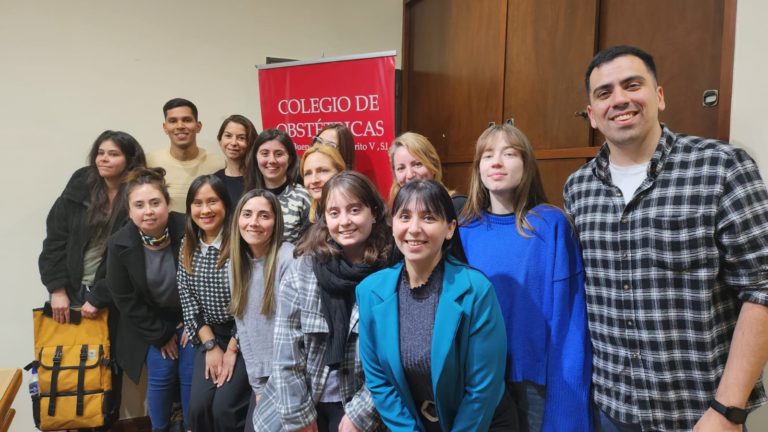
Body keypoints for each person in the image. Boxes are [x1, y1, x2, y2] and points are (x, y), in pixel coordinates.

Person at [563, 45, 768, 431]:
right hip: (611, 410)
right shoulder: (578, 188)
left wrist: (728, 410)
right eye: (604, 93)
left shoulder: (722, 167)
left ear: (659, 96)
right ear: (592, 115)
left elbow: (762, 287)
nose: (620, 99)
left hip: (700, 413)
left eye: (632, 85)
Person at [459, 124, 592, 431]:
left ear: (527, 164)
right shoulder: (463, 230)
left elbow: (569, 324)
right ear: (478, 167)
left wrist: (567, 407)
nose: (496, 162)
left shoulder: (551, 226)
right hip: (476, 382)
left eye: (509, 153)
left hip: (536, 384)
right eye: (488, 155)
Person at [358, 179, 516, 431]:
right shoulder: (370, 292)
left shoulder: (475, 289)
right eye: (405, 216)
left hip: (482, 424)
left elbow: (483, 388)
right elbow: (379, 380)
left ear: (450, 228)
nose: (414, 228)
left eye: (429, 218)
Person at [253, 171, 390, 432]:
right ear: (324, 219)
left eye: (354, 210)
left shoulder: (391, 272)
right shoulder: (304, 268)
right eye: (334, 212)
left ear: (373, 212)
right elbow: (285, 353)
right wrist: (299, 419)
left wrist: (359, 418)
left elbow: (392, 361)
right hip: (305, 400)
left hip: (363, 406)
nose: (345, 221)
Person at [38, 130, 145, 428]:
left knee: (108, 369)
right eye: (101, 152)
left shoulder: (138, 193)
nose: (104, 159)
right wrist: (56, 288)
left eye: (113, 154)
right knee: (70, 364)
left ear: (129, 159)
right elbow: (54, 240)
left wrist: (99, 296)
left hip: (114, 297)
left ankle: (106, 424)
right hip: (71, 291)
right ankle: (70, 423)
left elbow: (134, 260)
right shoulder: (81, 185)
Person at [106, 168, 194, 432]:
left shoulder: (188, 228)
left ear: (167, 204)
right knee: (162, 372)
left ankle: (191, 426)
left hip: (189, 315)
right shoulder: (119, 243)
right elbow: (124, 297)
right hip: (149, 321)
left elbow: (205, 279)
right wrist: (160, 335)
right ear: (129, 211)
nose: (149, 211)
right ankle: (160, 428)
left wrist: (193, 321)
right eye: (139, 205)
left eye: (155, 203)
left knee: (190, 373)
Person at [175, 175, 251, 431]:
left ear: (226, 205)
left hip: (241, 335)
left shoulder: (242, 245)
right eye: (197, 203)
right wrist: (210, 346)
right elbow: (188, 301)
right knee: (196, 408)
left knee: (224, 409)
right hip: (210, 336)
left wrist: (231, 350)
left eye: (212, 201)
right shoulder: (188, 245)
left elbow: (249, 306)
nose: (205, 210)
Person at [228, 189, 295, 432]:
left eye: (264, 216)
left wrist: (271, 387)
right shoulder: (236, 264)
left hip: (290, 376)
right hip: (262, 377)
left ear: (276, 222)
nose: (254, 222)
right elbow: (243, 329)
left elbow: (294, 335)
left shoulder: (289, 258)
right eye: (247, 214)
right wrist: (257, 387)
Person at [147, 98, 224, 213]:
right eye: (173, 121)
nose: (180, 126)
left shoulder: (219, 163)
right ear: (165, 127)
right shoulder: (149, 162)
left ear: (198, 126)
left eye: (187, 120)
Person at [244, 128, 310, 243]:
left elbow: (310, 245)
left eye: (279, 154)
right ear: (256, 157)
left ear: (290, 159)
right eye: (265, 154)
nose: (272, 160)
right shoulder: (248, 196)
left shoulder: (303, 197)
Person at [388, 132, 467, 214]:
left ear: (433, 166)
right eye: (401, 168)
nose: (409, 175)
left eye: (417, 164)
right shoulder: (396, 210)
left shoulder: (459, 207)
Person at [214, 114, 258, 209]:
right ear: (220, 140)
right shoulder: (214, 181)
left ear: (251, 142)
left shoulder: (260, 178)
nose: (233, 143)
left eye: (241, 138)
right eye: (228, 136)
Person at [301, 143, 346, 223]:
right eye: (308, 173)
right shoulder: (307, 217)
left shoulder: (354, 213)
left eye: (322, 171)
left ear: (340, 172)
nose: (314, 180)